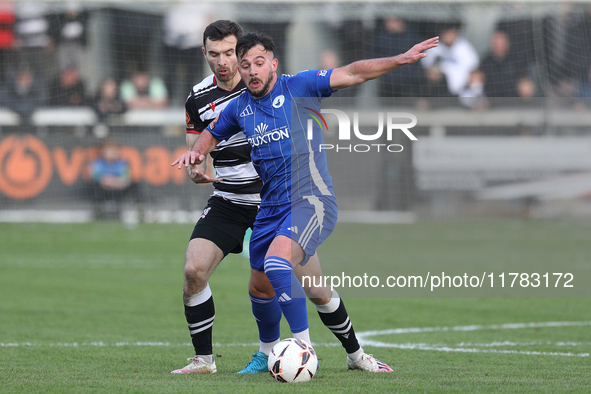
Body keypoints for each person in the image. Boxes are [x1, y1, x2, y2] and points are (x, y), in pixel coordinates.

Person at [174, 31, 439, 373]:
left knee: (277, 265)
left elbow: (355, 72)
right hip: (269, 207)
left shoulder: (298, 86)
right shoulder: (239, 107)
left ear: (273, 63)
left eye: (258, 63)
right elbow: (211, 133)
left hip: (311, 200)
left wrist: (399, 59)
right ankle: (352, 356)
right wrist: (196, 153)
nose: (252, 71)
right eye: (246, 65)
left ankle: (303, 350)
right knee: (293, 287)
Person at [170, 20, 312, 376]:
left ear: (243, 52)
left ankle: (348, 352)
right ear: (205, 54)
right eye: (214, 54)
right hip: (229, 200)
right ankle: (204, 360)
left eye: (230, 53)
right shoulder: (197, 99)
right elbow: (195, 152)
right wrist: (195, 169)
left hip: (274, 202)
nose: (223, 61)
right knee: (193, 270)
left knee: (313, 285)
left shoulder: (266, 87)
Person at [88, 138, 142, 219]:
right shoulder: (97, 163)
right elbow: (96, 178)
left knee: (135, 184)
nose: (112, 153)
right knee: (96, 186)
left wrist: (111, 181)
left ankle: (140, 208)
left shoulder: (123, 163)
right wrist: (114, 181)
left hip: (119, 191)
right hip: (104, 191)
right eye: (109, 150)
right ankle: (98, 210)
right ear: (103, 151)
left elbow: (127, 179)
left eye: (114, 150)